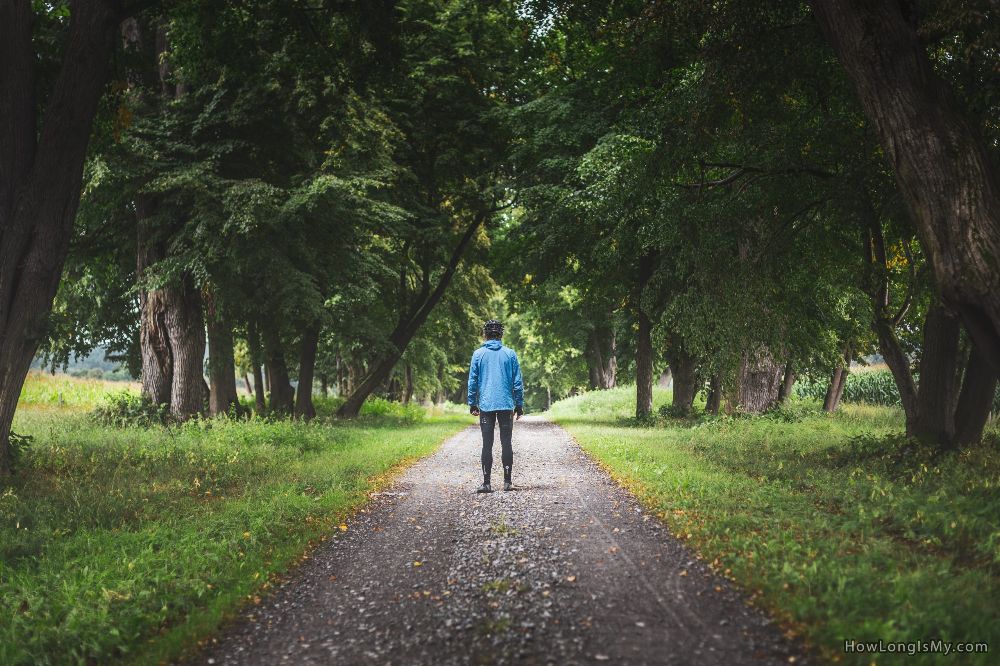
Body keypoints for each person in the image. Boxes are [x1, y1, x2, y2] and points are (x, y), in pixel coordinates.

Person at [467, 319, 524, 493]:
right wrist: (519, 404)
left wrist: (472, 403)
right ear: (501, 334)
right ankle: (507, 482)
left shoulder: (478, 354)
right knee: (506, 443)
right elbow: (517, 382)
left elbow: (473, 381)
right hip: (506, 404)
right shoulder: (510, 354)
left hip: (486, 404)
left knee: (487, 444)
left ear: (485, 334)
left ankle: (486, 483)